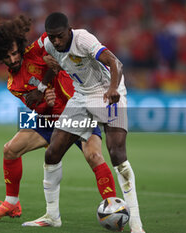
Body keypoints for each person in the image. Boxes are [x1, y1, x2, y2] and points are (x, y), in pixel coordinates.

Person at [0, 15, 117, 222]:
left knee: (94, 156)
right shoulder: (13, 84)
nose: (14, 59)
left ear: (20, 47)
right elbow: (37, 107)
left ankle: (113, 209)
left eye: (15, 53)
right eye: (7, 57)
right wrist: (45, 103)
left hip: (78, 110)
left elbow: (55, 46)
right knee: (10, 150)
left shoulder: (35, 51)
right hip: (51, 119)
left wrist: (45, 82)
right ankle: (12, 203)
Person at [22, 12, 145, 233]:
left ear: (68, 30)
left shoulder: (83, 39)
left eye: (59, 36)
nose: (55, 41)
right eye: (51, 37)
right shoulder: (51, 47)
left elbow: (115, 62)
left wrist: (114, 88)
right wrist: (41, 89)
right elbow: (54, 68)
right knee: (52, 153)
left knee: (116, 153)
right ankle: (52, 216)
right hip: (80, 98)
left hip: (107, 94)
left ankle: (136, 225)